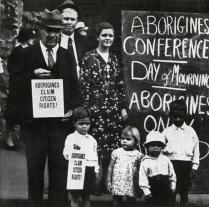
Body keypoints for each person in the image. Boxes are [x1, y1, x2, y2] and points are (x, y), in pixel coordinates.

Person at [13, 9, 81, 207]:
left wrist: (72, 109)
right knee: (34, 172)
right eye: (47, 30)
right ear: (39, 31)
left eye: (56, 31)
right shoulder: (26, 54)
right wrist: (31, 76)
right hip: (34, 126)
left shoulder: (67, 56)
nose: (52, 35)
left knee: (59, 174)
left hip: (60, 126)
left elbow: (76, 90)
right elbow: (14, 88)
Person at [79, 22, 128, 194]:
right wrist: (86, 109)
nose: (108, 38)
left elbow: (119, 84)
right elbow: (84, 85)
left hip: (113, 109)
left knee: (111, 147)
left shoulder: (114, 59)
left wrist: (122, 107)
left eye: (110, 36)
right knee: (95, 147)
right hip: (95, 109)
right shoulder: (89, 57)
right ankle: (94, 184)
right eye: (104, 35)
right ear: (98, 37)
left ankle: (108, 183)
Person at [162, 99, 200, 205]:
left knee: (184, 190)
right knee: (170, 191)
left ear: (185, 115)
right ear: (170, 116)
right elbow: (160, 149)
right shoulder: (166, 131)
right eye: (175, 117)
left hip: (185, 165)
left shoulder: (191, 132)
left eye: (181, 117)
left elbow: (196, 150)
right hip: (170, 164)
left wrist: (194, 167)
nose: (178, 119)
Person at [4, 28, 36, 150]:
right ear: (26, 39)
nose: (33, 40)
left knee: (25, 113)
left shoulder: (31, 50)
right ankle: (9, 139)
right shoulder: (17, 52)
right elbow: (13, 70)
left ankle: (22, 138)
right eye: (31, 38)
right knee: (13, 113)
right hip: (17, 87)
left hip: (28, 87)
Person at [63, 106, 99, 207]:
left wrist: (96, 170)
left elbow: (95, 156)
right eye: (81, 123)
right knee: (75, 197)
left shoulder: (92, 140)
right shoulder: (70, 138)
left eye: (87, 123)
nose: (84, 126)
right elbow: (66, 154)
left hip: (89, 170)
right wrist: (76, 154)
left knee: (86, 197)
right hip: (76, 170)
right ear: (74, 123)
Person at [106, 125, 143, 207]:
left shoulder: (138, 155)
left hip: (131, 183)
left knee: (131, 201)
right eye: (122, 138)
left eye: (128, 139)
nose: (124, 141)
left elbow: (141, 171)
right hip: (118, 182)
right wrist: (108, 181)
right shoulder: (116, 152)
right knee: (116, 200)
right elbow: (110, 167)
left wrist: (140, 184)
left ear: (136, 141)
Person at [139, 131, 176, 207]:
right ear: (147, 147)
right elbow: (143, 177)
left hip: (165, 187)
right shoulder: (145, 161)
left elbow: (172, 173)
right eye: (152, 145)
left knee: (167, 203)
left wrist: (173, 186)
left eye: (158, 145)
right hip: (153, 188)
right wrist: (146, 191)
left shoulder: (165, 159)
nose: (156, 147)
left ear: (162, 147)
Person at [57, 0, 91, 78]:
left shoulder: (84, 42)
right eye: (66, 19)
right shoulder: (54, 41)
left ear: (77, 21)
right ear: (59, 20)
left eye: (72, 19)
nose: (69, 22)